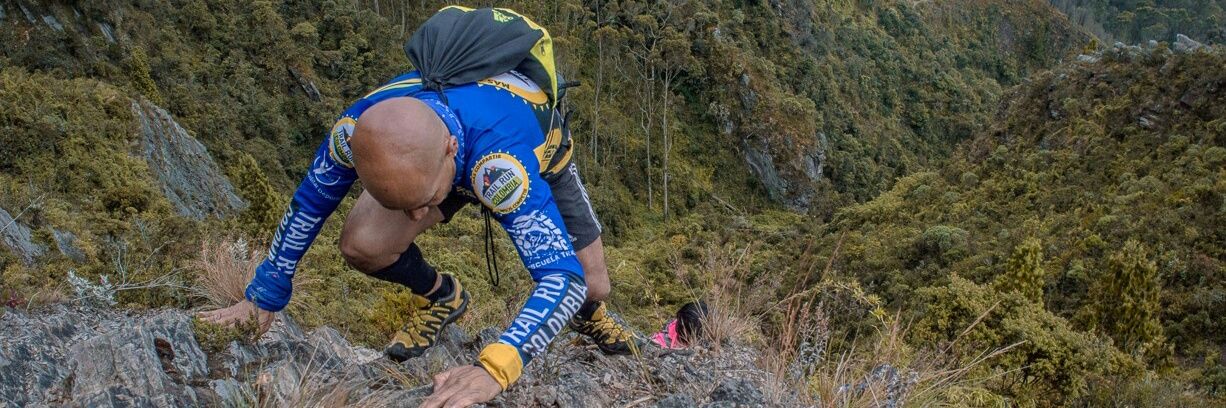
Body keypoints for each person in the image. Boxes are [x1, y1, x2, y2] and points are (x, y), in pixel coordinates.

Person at [198, 11, 638, 406]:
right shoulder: (354, 130)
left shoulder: (501, 166)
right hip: (439, 162)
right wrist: (264, 296)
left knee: (591, 286)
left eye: (423, 204)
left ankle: (589, 316)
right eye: (404, 206)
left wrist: (493, 369)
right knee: (362, 245)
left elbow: (561, 277)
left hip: (532, 151)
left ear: (449, 151)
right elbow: (310, 202)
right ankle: (445, 297)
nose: (416, 218)